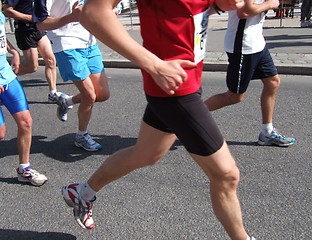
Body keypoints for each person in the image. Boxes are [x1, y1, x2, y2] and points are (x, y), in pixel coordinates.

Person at [61, 0, 256, 239]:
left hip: (187, 79)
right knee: (226, 175)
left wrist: (220, 4)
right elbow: (92, 12)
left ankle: (82, 192)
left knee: (145, 154)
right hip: (172, 89)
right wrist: (154, 65)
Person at [204, 0, 296, 147]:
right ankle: (190, 117)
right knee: (234, 96)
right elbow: (244, 12)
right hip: (242, 47)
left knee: (273, 82)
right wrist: (271, 4)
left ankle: (267, 132)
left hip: (258, 44)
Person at [33, 0, 110, 152]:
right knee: (89, 96)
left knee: (103, 94)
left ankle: (66, 101)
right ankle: (81, 136)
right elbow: (40, 24)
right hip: (66, 44)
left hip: (89, 43)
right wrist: (71, 17)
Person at [0, 4, 47, 186]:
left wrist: (13, 51)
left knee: (26, 121)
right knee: (1, 134)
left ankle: (24, 169)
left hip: (7, 76)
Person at [2, 0, 68, 103]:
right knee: (32, 67)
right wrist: (30, 18)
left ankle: (52, 94)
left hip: (38, 29)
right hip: (25, 31)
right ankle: (3, 76)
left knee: (51, 61)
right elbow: (7, 10)